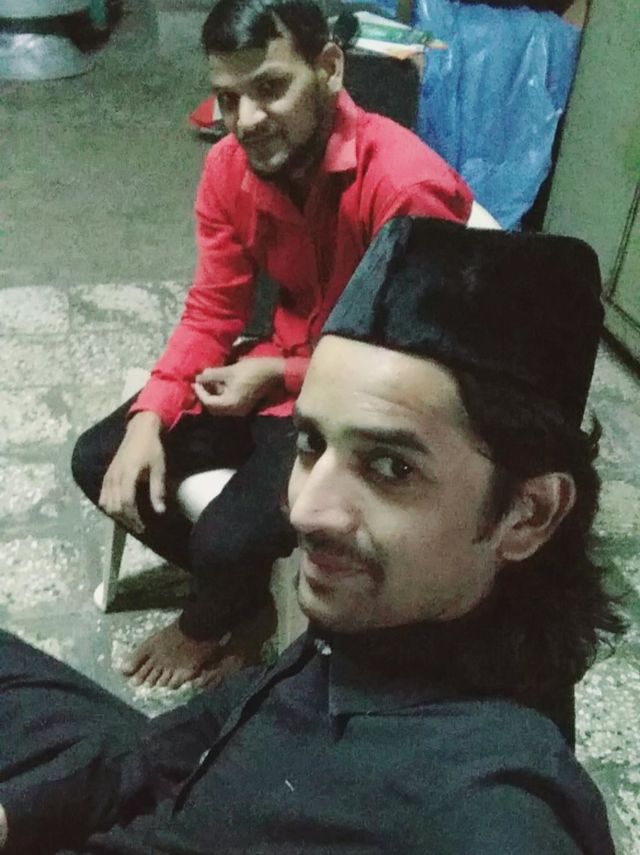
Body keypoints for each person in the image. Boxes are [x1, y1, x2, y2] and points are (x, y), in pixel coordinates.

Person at [0, 219, 623, 853]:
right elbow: (181, 745)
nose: (305, 511)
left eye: (391, 467)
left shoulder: (489, 813)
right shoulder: (391, 616)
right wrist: (15, 816)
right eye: (310, 443)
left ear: (528, 514)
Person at [70, 0, 489, 691]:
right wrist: (150, 415)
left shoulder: (404, 186)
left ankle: (213, 619)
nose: (246, 120)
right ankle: (247, 596)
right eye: (228, 97)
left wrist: (278, 373)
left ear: (329, 68)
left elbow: (411, 364)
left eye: (270, 87)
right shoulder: (228, 169)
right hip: (279, 371)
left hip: (360, 406)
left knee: (226, 538)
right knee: (101, 459)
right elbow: (213, 309)